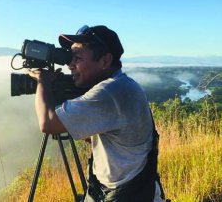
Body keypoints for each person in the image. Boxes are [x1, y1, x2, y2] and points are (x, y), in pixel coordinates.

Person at [26, 25, 166, 202]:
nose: (70, 65)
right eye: (70, 57)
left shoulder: (110, 91)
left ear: (105, 61)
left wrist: (42, 82)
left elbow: (48, 123)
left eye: (77, 58)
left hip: (127, 195)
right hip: (128, 190)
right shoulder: (123, 84)